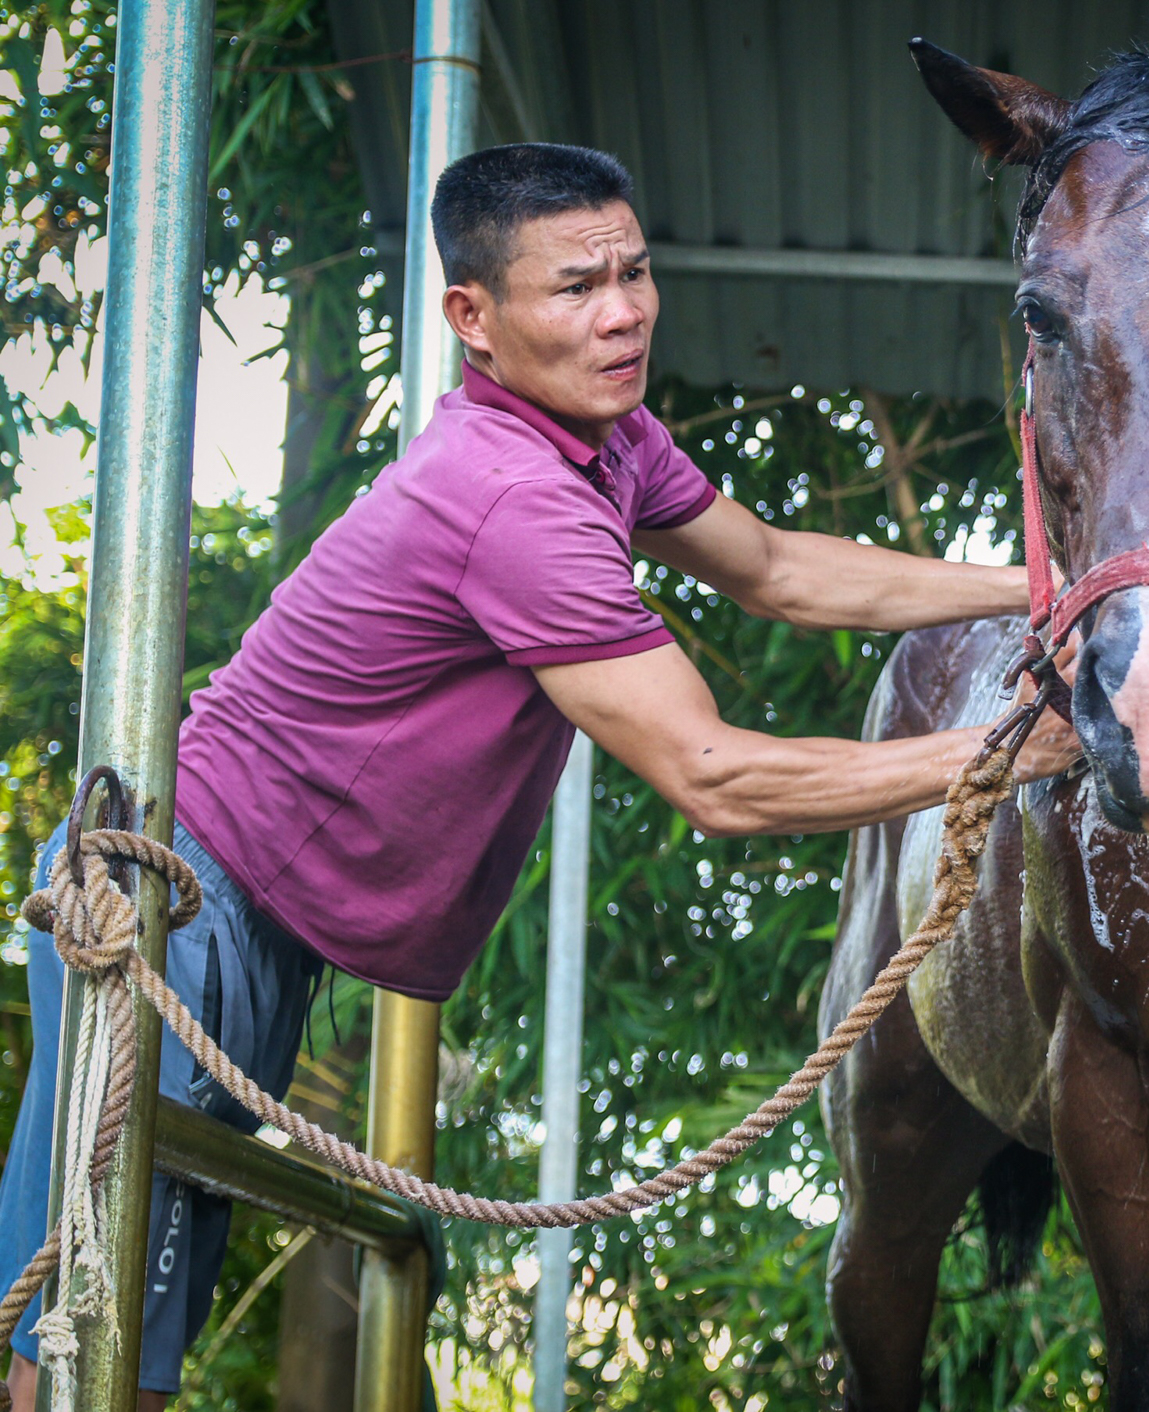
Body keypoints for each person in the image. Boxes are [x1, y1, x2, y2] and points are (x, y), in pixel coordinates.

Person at [0, 142, 1077, 1408]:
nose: (620, 311)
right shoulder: (514, 496)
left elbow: (778, 570)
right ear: (474, 317)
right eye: (574, 287)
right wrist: (993, 756)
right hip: (186, 900)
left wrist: (1054, 584)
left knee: (133, 1333)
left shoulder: (603, 444)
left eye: (633, 271)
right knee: (86, 1342)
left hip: (256, 917)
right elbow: (713, 775)